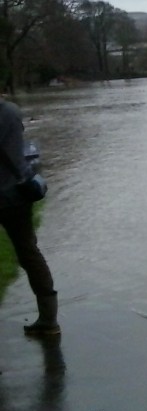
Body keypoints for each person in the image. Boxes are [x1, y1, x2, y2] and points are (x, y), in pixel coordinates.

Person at [0, 98, 58, 336]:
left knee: (29, 254)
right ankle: (48, 320)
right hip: (16, 195)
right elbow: (17, 154)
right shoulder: (11, 111)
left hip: (8, 193)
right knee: (29, 253)